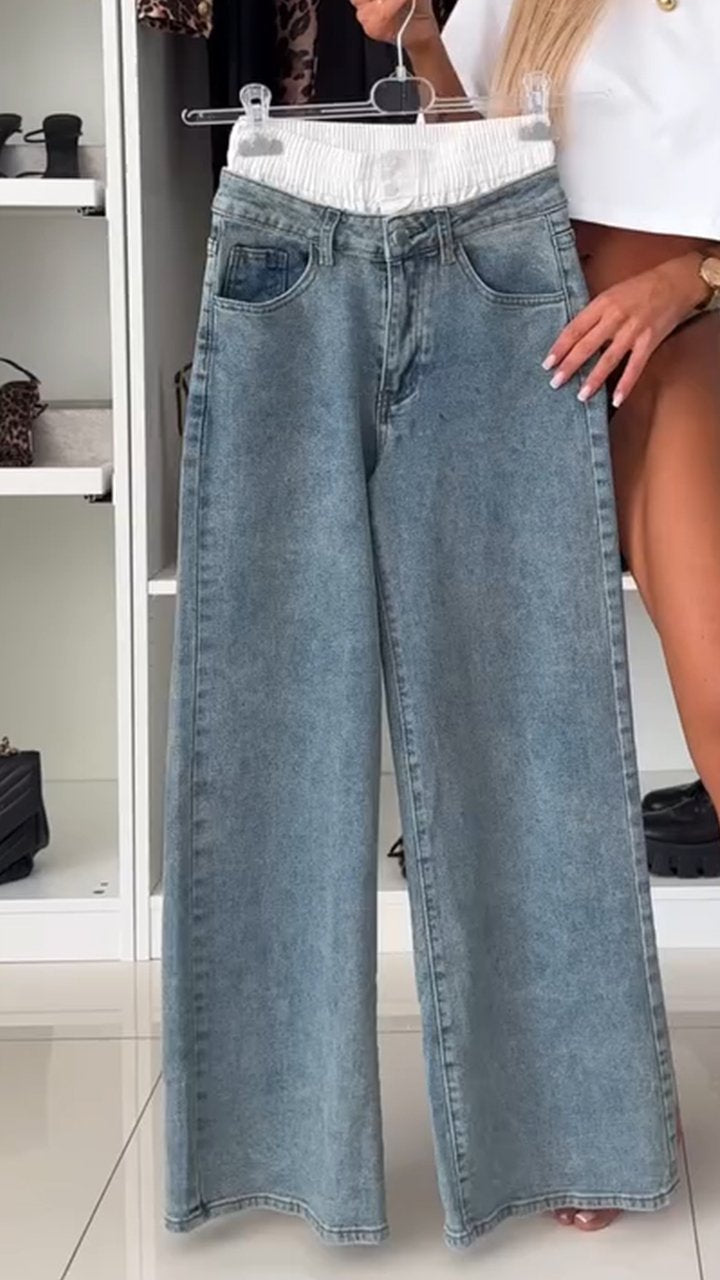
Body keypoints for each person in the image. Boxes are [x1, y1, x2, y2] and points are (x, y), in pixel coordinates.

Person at [352, 0, 720, 1233]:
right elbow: (464, 174)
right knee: (519, 734)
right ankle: (594, 1106)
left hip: (685, 337)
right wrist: (416, 39)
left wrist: (687, 278)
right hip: (524, 350)